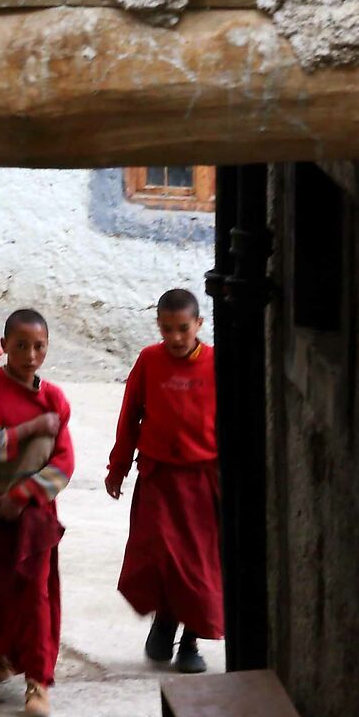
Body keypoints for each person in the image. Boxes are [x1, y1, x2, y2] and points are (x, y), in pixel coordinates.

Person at [0, 311, 75, 717]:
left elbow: (64, 463)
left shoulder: (55, 399)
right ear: (5, 344)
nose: (30, 355)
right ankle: (2, 648)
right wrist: (31, 429)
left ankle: (38, 682)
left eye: (39, 346)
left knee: (35, 593)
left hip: (33, 513)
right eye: (22, 345)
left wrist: (24, 495)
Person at [106, 288, 223, 674]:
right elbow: (130, 416)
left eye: (183, 329)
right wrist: (118, 465)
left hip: (202, 480)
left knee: (197, 565)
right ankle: (164, 622)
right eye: (167, 329)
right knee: (161, 559)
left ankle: (189, 641)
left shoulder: (215, 364)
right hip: (158, 478)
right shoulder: (149, 360)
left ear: (199, 325)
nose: (175, 338)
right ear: (158, 326)